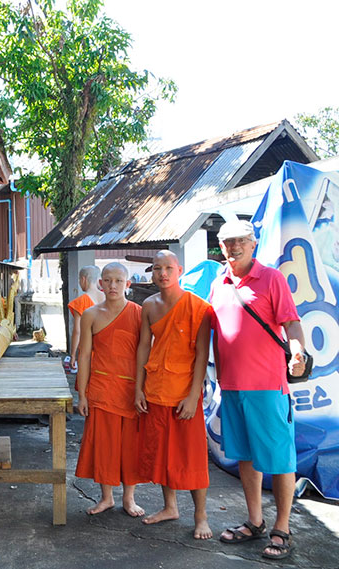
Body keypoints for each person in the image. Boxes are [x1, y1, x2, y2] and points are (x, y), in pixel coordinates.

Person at [210, 220, 306, 560]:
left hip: (267, 386)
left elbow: (291, 322)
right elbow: (216, 334)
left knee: (279, 459)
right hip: (232, 387)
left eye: (240, 241)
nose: (233, 247)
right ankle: (255, 521)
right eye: (227, 242)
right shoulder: (218, 283)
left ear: (254, 244)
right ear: (220, 247)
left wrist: (298, 352)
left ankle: (282, 528)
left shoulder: (272, 278)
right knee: (246, 457)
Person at [135, 250, 212, 539]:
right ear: (152, 273)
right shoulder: (149, 305)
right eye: (157, 268)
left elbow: (202, 354)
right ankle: (170, 506)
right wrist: (138, 388)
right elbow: (144, 346)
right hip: (155, 389)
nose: (162, 273)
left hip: (184, 394)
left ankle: (200, 515)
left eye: (168, 267)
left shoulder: (198, 306)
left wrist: (194, 396)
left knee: (191, 457)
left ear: (180, 270)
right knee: (161, 455)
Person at [74, 262, 146, 516]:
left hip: (130, 390)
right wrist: (82, 394)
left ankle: (129, 498)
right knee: (104, 445)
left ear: (128, 284)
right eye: (108, 280)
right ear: (100, 284)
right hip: (102, 387)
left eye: (118, 280)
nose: (112, 285)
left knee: (130, 446)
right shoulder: (91, 315)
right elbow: (84, 356)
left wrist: (142, 389)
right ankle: (107, 497)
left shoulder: (139, 313)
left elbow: (144, 354)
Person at [68, 266, 105, 373]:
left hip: (88, 350)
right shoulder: (108, 299)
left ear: (83, 279)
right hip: (106, 348)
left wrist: (73, 354)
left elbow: (77, 331)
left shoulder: (81, 301)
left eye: (80, 280)